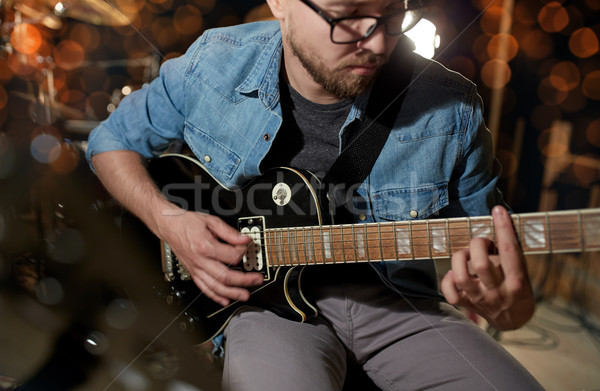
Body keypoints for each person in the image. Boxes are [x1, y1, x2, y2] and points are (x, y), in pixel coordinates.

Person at [86, 0, 544, 389]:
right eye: (345, 17)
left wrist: (511, 307)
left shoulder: (453, 107)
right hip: (267, 310)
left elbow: (490, 258)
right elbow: (109, 143)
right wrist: (168, 221)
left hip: (400, 306)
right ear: (281, 4)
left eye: (391, 14)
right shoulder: (214, 62)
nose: (380, 42)